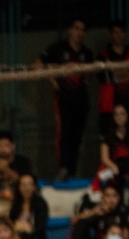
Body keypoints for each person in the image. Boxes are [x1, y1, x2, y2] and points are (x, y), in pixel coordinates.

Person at [38, 18, 94, 180]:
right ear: (70, 30)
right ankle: (63, 168)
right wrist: (54, 81)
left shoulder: (87, 53)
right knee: (64, 134)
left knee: (77, 137)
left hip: (81, 100)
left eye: (83, 30)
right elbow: (37, 65)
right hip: (63, 99)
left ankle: (72, 171)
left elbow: (89, 76)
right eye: (76, 28)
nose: (79, 33)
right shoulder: (57, 49)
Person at [96, 21, 129, 135]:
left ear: (125, 33)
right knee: (109, 135)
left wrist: (115, 73)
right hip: (109, 103)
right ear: (110, 34)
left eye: (121, 32)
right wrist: (126, 71)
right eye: (115, 32)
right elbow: (105, 78)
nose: (119, 35)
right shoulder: (103, 55)